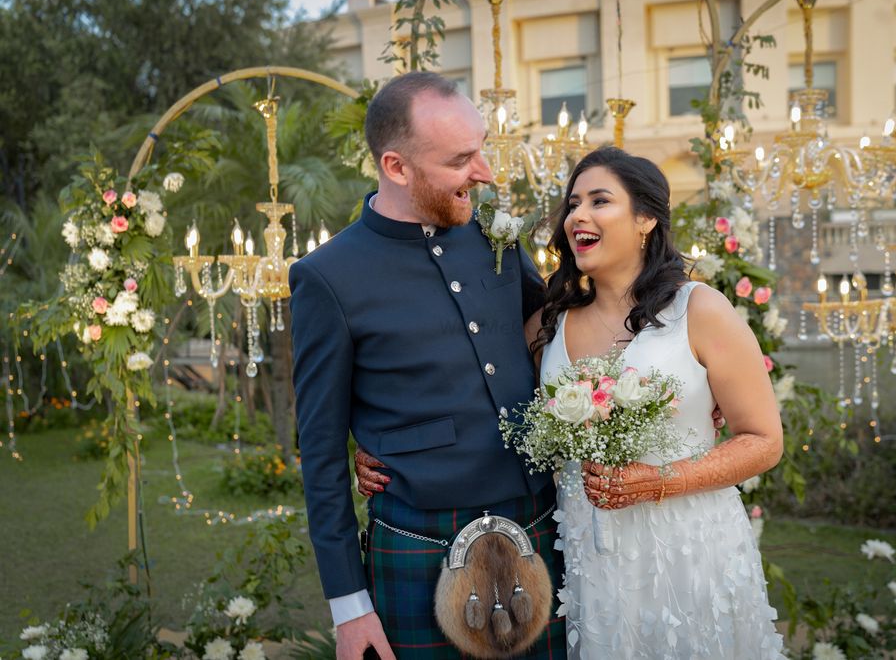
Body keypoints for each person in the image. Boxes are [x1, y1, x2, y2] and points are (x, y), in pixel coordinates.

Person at [359, 146, 786, 658]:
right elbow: (472, 395)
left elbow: (764, 441)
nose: (578, 215)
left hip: (689, 550)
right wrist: (388, 449)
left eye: (600, 201)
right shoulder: (550, 324)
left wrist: (660, 480)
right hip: (591, 559)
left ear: (647, 218)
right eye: (574, 203)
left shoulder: (700, 310)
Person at [288, 71, 566, 660]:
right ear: (396, 167)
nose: (486, 172)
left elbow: (559, 330)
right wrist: (349, 608)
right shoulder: (327, 278)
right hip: (416, 544)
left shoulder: (494, 235)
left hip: (539, 523)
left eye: (482, 148)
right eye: (462, 158)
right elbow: (319, 454)